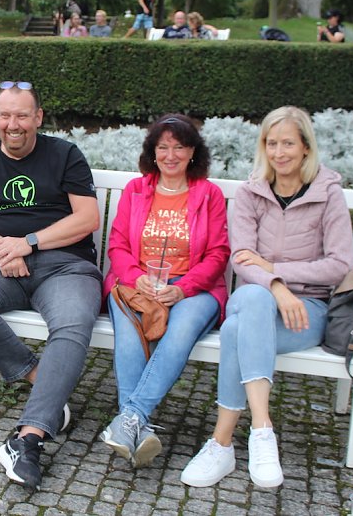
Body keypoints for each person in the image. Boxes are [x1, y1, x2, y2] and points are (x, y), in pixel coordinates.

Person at [180, 106, 353, 489]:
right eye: (271, 143)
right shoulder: (251, 192)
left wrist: (275, 271)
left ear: (306, 147)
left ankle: (221, 444)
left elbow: (339, 264)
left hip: (304, 311)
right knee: (256, 300)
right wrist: (275, 286)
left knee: (235, 332)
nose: (279, 152)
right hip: (254, 297)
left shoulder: (328, 194)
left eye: (288, 143)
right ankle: (262, 429)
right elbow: (242, 259)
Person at [0, 81, 102, 492]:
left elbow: (87, 218)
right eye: (5, 115)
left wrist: (28, 242)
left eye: (22, 116)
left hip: (65, 266)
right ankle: (40, 379)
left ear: (38, 118)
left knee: (72, 323)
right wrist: (2, 246)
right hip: (4, 265)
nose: (13, 124)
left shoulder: (65, 154)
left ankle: (28, 439)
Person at [100, 114, 229, 469]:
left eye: (179, 147)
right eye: (163, 148)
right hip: (136, 285)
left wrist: (183, 288)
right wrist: (135, 276)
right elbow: (118, 244)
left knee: (180, 330)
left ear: (193, 152)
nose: (171, 155)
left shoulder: (209, 194)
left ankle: (130, 417)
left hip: (194, 289)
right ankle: (135, 427)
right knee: (130, 334)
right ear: (152, 152)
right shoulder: (136, 190)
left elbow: (218, 253)